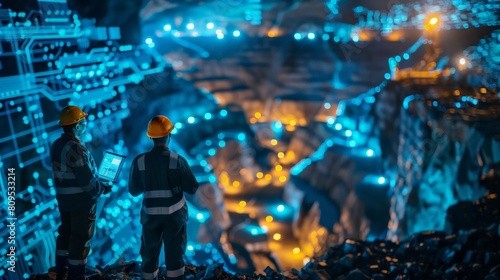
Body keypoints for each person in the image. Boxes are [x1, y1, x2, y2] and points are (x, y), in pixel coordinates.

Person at [129, 115, 199, 280]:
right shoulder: (177, 160)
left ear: (151, 137)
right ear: (169, 135)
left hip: (150, 216)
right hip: (174, 216)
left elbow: (133, 191)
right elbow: (192, 187)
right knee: (175, 254)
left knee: (149, 254)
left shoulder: (140, 161)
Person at [50, 105, 112, 280]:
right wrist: (103, 188)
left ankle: (61, 271)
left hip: (64, 201)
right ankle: (77, 275)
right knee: (80, 239)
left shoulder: (56, 144)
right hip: (81, 203)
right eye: (83, 122)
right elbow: (88, 183)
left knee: (65, 234)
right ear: (77, 126)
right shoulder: (77, 149)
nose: (86, 125)